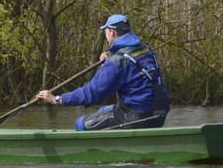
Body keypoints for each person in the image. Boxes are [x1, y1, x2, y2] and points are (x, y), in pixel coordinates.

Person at [35, 14, 169, 130]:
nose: (105, 35)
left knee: (80, 124)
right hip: (159, 114)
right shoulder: (146, 50)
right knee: (103, 111)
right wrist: (110, 57)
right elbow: (130, 68)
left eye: (106, 31)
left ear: (112, 32)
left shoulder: (116, 62)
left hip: (137, 117)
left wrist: (57, 99)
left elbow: (92, 94)